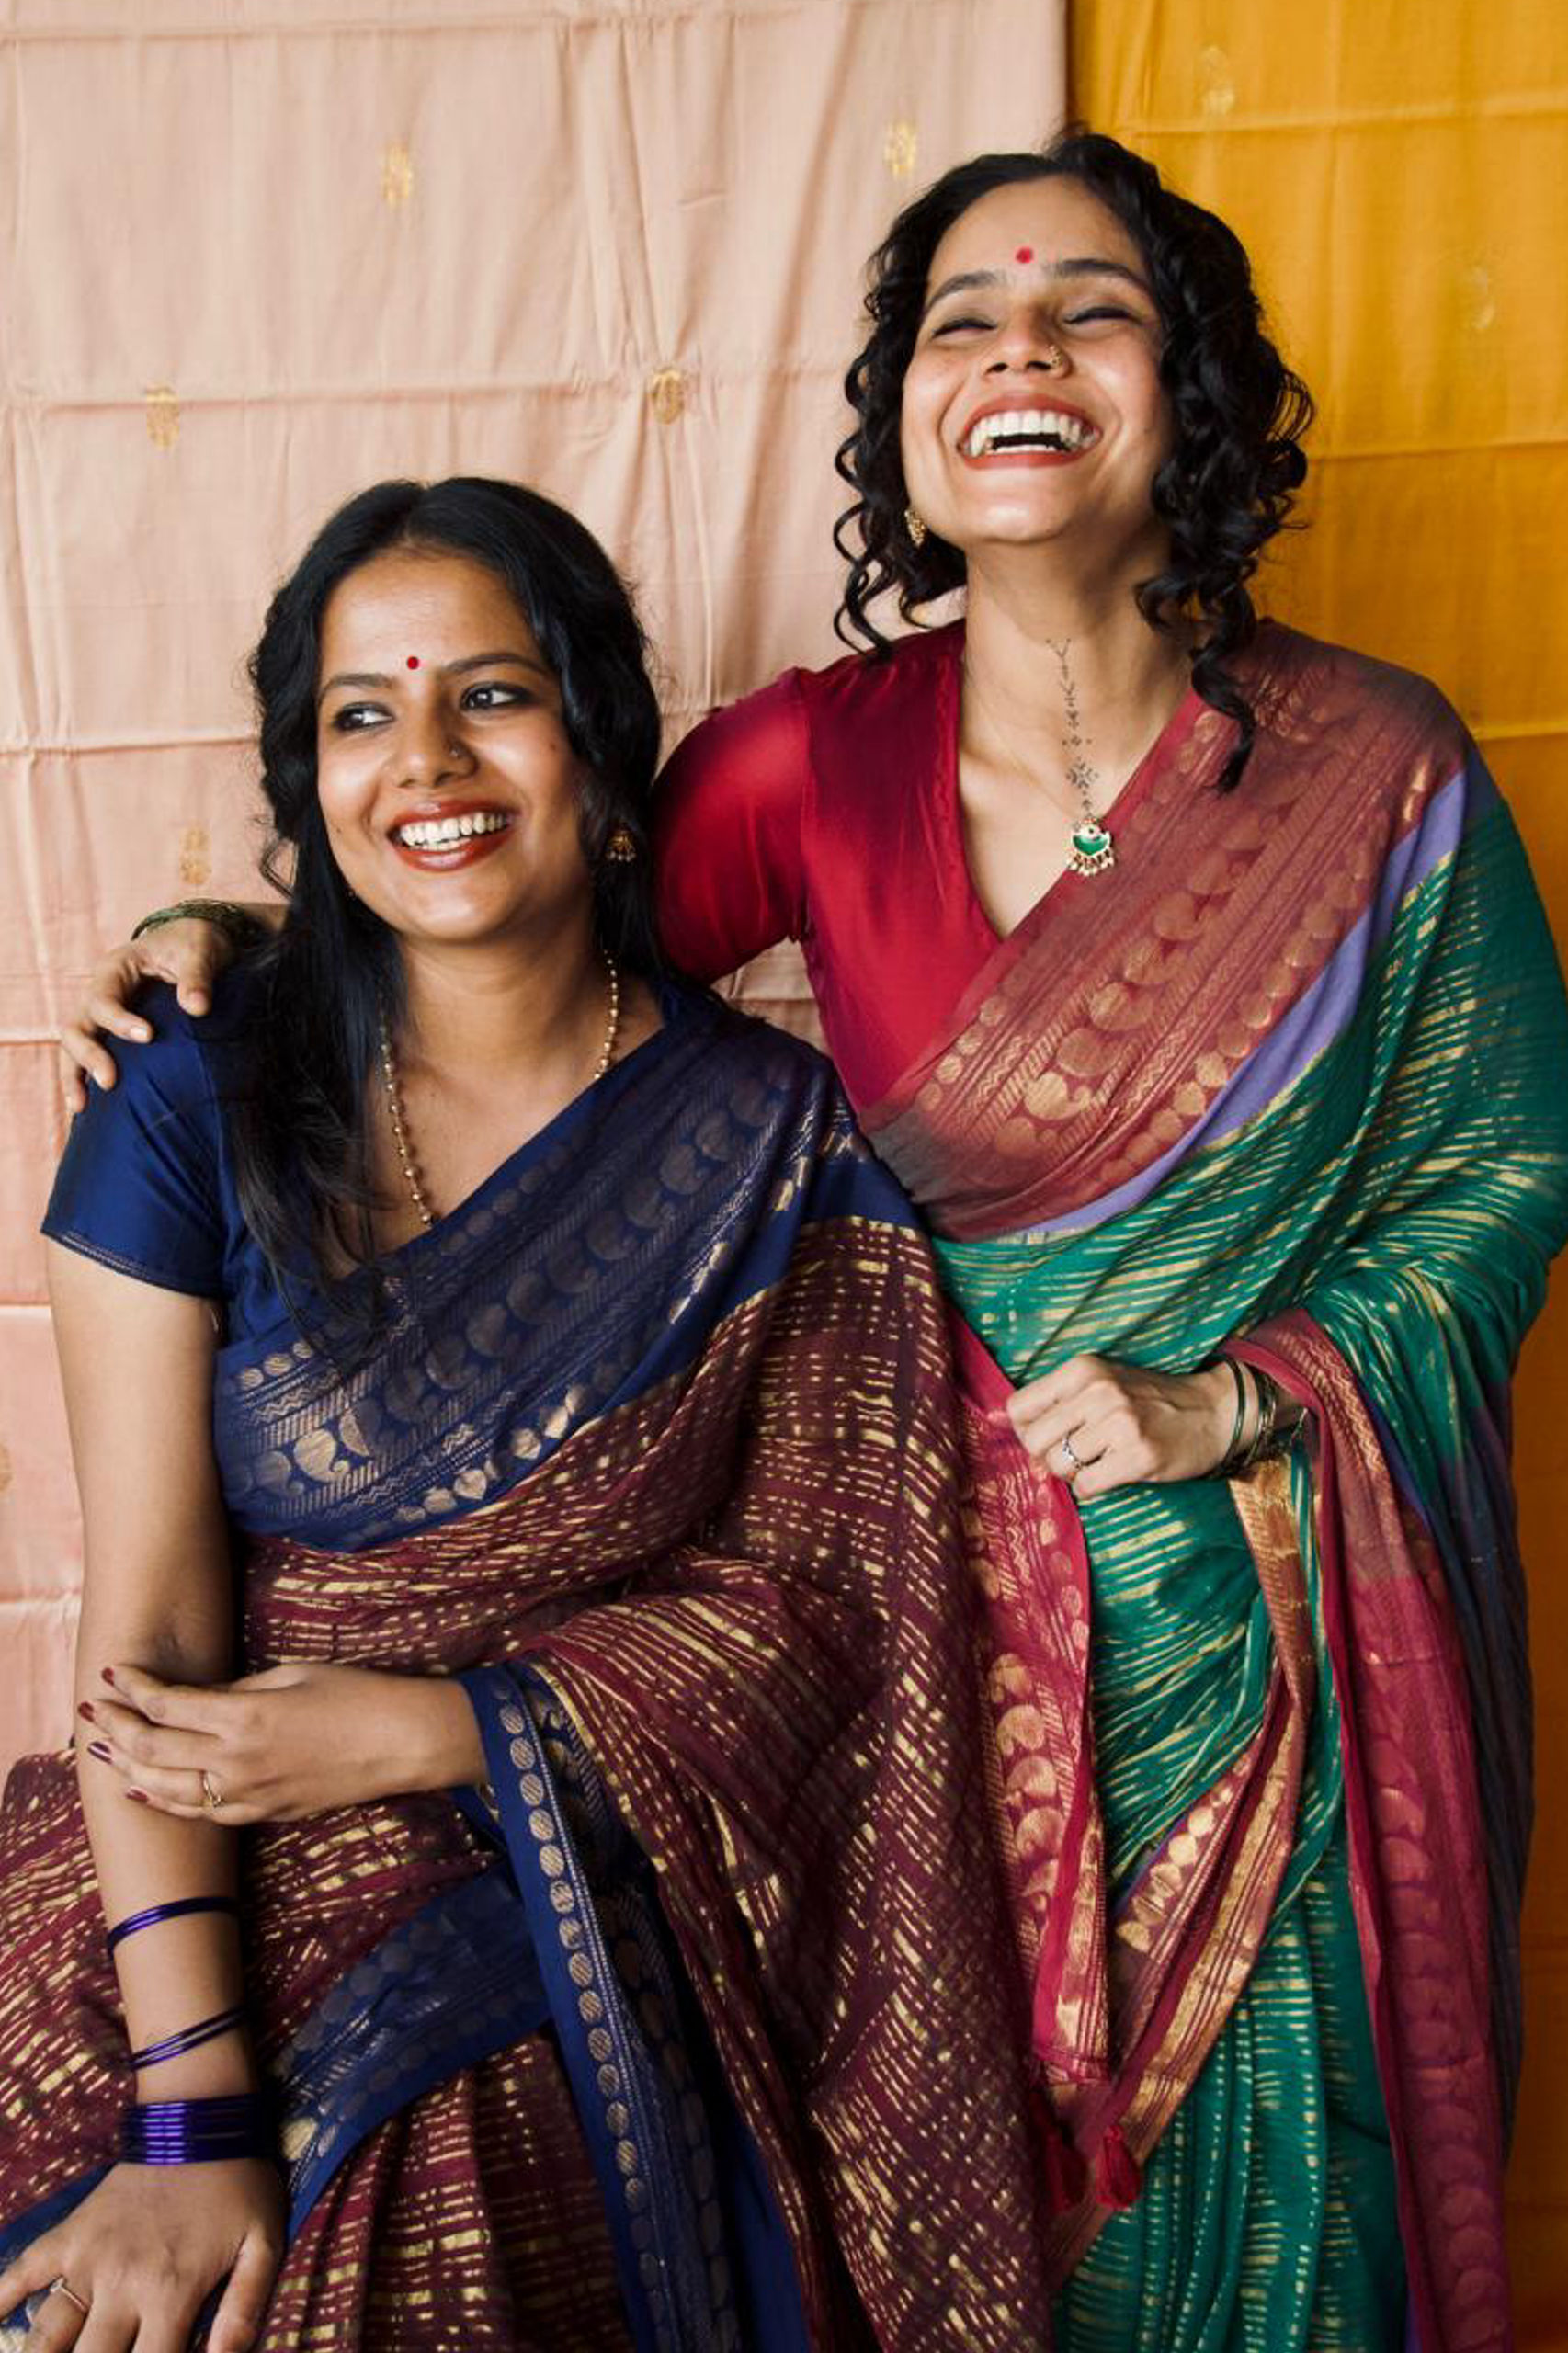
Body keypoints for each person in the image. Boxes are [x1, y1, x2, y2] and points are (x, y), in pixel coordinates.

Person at [58, 135, 1568, 2352]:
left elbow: (1502, 1169)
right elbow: (505, 916)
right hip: (929, 1646)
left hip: (1278, 1626)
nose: (1021, 352)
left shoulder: (1382, 766)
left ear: (1193, 391)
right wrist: (237, 951)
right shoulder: (799, 766)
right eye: (964, 319)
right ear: (904, 415)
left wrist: (1245, 1395)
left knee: (1287, 2235)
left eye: (1090, 309)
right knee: (985, 2208)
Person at [3, 476, 1054, 2351]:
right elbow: (148, 1641)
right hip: (196, 1866)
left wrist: (446, 1732)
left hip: (597, 1884)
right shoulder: (190, 1095)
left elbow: (835, 1622)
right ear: (310, 783)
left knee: (443, 2164)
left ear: (602, 746)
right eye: (362, 713)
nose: (426, 760)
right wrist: (191, 2121)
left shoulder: (767, 1141)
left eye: (491, 693)